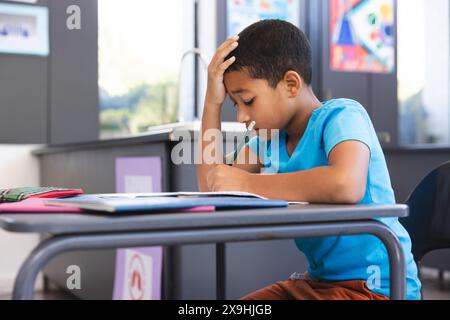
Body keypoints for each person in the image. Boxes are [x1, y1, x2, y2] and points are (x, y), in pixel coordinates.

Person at [196, 19, 421, 300]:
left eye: (248, 100)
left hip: (376, 288)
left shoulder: (342, 115)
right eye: (234, 104)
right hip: (317, 284)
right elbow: (211, 187)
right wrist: (211, 103)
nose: (241, 116)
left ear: (291, 84)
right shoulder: (268, 140)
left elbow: (346, 185)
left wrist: (246, 182)